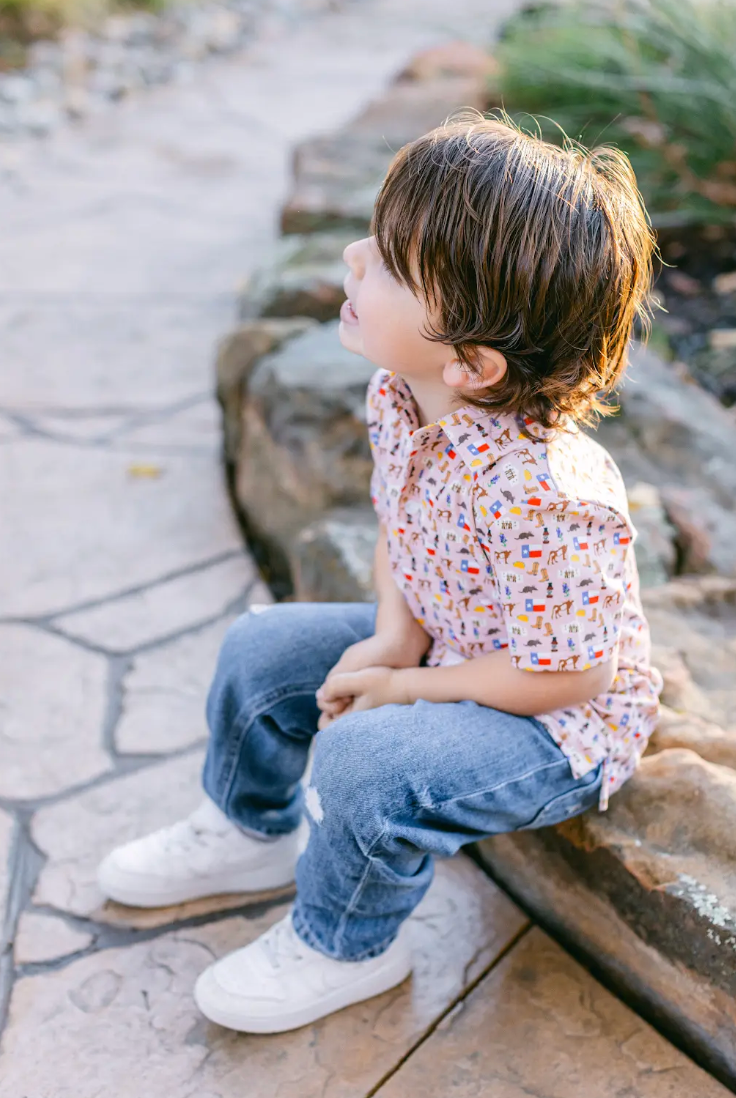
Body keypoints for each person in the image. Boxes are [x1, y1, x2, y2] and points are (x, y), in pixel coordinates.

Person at [97, 115, 662, 1034]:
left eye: (391, 263)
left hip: (553, 725)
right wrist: (394, 636)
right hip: (453, 650)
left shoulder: (550, 497)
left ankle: (345, 943)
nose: (355, 257)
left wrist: (405, 688)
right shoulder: (401, 395)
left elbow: (571, 676)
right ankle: (249, 828)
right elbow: (401, 526)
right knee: (261, 650)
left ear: (471, 362)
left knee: (366, 761)